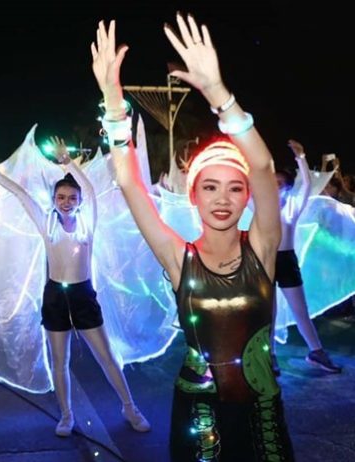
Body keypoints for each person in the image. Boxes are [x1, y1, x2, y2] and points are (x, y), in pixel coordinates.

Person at [91, 14, 294, 461]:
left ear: (247, 197)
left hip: (262, 412)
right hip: (199, 414)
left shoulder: (262, 246)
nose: (222, 198)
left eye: (234, 188)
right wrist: (112, 100)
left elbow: (262, 166)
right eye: (210, 187)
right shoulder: (176, 256)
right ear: (193, 195)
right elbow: (128, 181)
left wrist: (218, 93)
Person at [0, 136, 150, 437]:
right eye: (61, 197)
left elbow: (90, 190)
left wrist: (67, 163)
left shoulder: (87, 224)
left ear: (79, 201)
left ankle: (130, 407)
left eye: (71, 198)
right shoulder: (47, 223)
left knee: (106, 357)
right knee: (59, 360)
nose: (66, 202)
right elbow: (20, 194)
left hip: (83, 296)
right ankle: (67, 415)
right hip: (55, 296)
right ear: (54, 200)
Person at [273, 140, 341, 373]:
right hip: (264, 261)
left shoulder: (292, 206)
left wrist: (301, 158)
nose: (275, 186)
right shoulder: (259, 206)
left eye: (279, 183)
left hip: (286, 261)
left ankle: (317, 352)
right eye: (272, 183)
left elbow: (308, 185)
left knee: (299, 310)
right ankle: (268, 356)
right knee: (269, 312)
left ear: (287, 187)